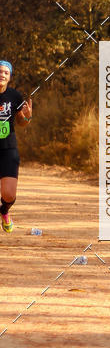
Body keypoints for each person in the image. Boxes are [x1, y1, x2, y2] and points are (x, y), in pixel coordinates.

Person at [0, 60, 33, 234]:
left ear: (10, 77)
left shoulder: (14, 96)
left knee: (9, 195)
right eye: (0, 71)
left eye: (5, 72)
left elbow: (21, 122)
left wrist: (27, 117)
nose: (2, 75)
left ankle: (4, 211)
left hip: (7, 149)